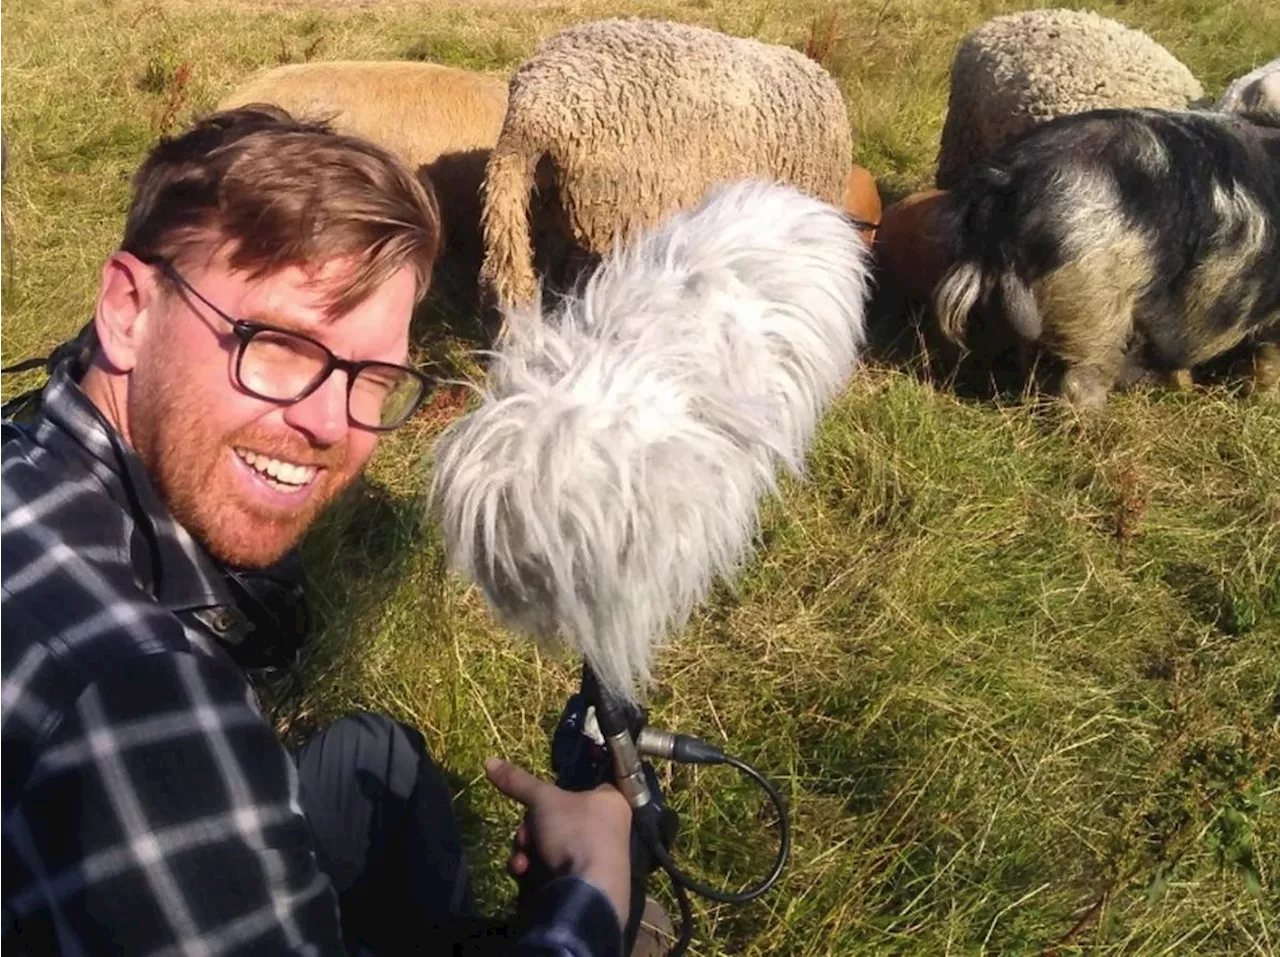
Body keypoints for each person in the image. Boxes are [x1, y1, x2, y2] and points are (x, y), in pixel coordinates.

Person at [0, 105, 639, 956]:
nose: (332, 424)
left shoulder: (30, 457)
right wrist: (590, 900)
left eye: (373, 376)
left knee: (379, 756)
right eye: (278, 344)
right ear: (127, 307)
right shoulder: (139, 695)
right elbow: (156, 732)